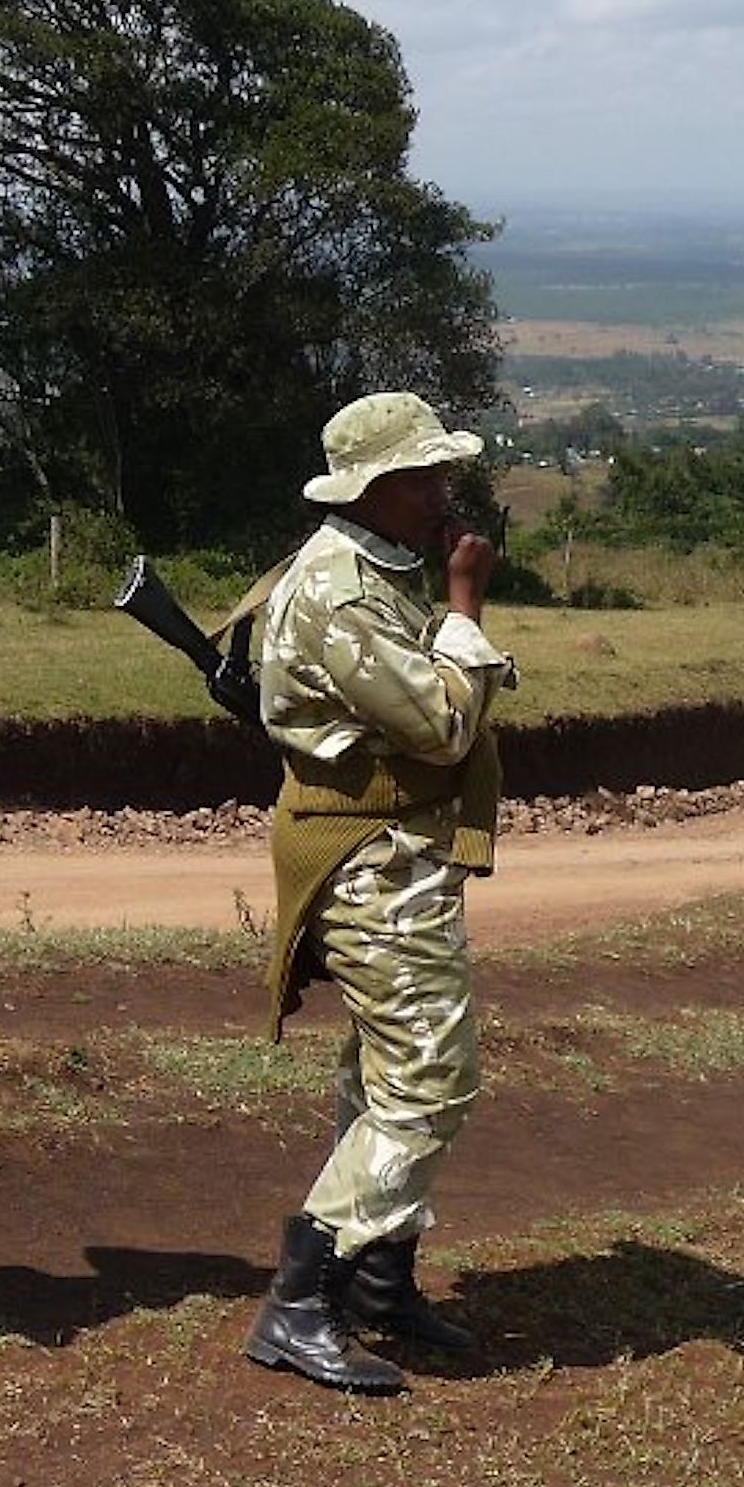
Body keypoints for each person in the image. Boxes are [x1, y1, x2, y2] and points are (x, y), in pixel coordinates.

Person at [244, 391, 513, 1395]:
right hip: (370, 855)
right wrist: (466, 604)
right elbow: (443, 724)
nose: (445, 489)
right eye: (428, 475)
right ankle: (302, 1298)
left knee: (386, 1071)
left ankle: (378, 1281)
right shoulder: (342, 594)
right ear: (378, 488)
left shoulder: (373, 570)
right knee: (431, 1080)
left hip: (399, 850)